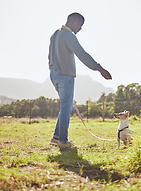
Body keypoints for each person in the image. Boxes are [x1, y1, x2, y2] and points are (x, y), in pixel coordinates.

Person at [48, 12, 112, 148]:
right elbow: (82, 54)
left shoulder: (55, 34)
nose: (80, 29)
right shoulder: (68, 35)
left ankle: (56, 137)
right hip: (65, 75)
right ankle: (63, 141)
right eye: (80, 25)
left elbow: (49, 56)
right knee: (66, 107)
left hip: (54, 74)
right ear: (74, 22)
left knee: (65, 106)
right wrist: (99, 68)